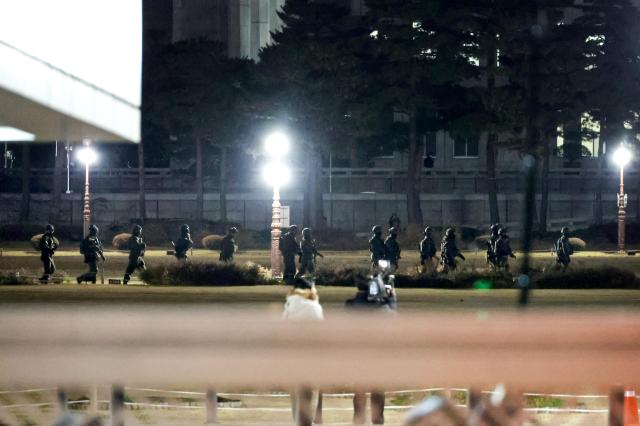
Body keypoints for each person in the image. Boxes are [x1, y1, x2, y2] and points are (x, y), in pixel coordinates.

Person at [283, 277, 324, 425]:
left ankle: (298, 421)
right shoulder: (314, 307)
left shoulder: (289, 305)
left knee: (296, 392)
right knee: (311, 392)